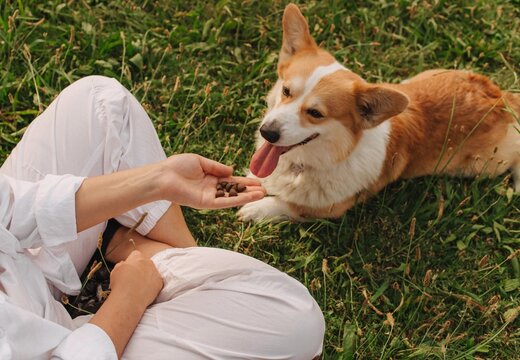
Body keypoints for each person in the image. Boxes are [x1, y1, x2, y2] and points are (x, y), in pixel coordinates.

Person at [0, 76, 325, 359]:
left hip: (16, 263)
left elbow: (13, 208)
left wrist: (156, 181)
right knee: (296, 318)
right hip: (55, 345)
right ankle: (163, 268)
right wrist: (128, 298)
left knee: (101, 102)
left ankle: (153, 254)